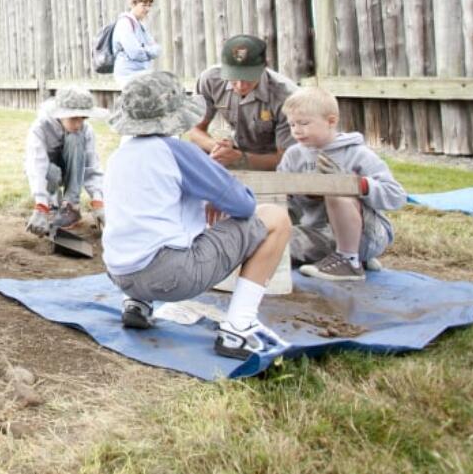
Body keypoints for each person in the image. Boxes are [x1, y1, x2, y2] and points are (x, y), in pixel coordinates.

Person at [103, 72, 292, 360]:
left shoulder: (120, 156)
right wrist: (217, 192)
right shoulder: (178, 151)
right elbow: (243, 206)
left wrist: (202, 198)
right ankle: (239, 327)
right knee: (276, 218)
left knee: (151, 228)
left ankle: (137, 303)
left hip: (120, 273)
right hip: (172, 276)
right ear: (176, 115)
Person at [277, 87, 405, 281]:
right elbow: (281, 197)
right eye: (292, 124)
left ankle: (349, 261)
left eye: (303, 123)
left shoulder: (357, 153)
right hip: (317, 233)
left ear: (331, 121)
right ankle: (349, 258)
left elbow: (396, 196)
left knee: (335, 186)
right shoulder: (293, 155)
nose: (296, 130)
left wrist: (353, 184)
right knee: (269, 243)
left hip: (367, 234)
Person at [188, 34, 297, 171]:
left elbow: (290, 158)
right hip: (233, 153)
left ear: (263, 68)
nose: (240, 85)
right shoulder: (210, 79)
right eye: (233, 77)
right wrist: (216, 147)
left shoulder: (286, 96)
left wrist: (241, 159)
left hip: (275, 167)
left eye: (248, 78)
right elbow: (193, 129)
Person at [24, 85, 106, 236]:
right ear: (58, 114)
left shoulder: (85, 130)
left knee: (75, 138)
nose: (78, 124)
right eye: (73, 118)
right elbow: (37, 166)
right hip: (50, 172)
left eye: (83, 118)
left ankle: (71, 207)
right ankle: (52, 206)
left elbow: (91, 167)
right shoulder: (39, 128)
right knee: (51, 170)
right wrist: (41, 204)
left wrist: (98, 201)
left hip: (74, 171)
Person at [112, 0, 162, 87]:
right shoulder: (125, 23)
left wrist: (144, 50)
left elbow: (157, 49)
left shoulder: (140, 25)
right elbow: (135, 52)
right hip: (128, 76)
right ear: (133, 4)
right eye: (143, 5)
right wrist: (148, 51)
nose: (147, 9)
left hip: (142, 73)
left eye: (149, 6)